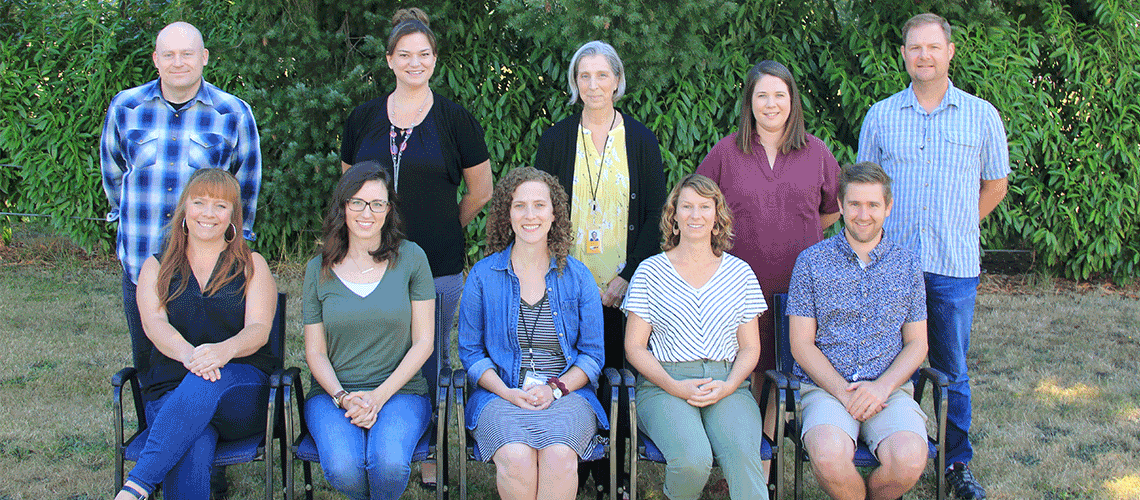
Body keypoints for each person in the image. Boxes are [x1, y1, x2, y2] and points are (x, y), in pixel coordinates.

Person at [856, 13, 1009, 499]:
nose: (924, 55)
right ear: (903, 55)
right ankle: (896, 447)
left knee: (950, 368)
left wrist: (962, 224)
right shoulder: (881, 115)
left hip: (952, 266)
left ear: (949, 52)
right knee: (887, 361)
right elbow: (863, 189)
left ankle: (956, 464)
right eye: (914, 48)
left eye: (933, 47)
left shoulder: (981, 115)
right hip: (891, 265)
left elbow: (996, 184)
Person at [101, 20, 262, 426]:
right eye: (168, 54)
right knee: (152, 363)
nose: (178, 62)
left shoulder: (233, 113)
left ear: (203, 57)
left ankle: (208, 452)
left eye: (187, 53)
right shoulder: (125, 107)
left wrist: (233, 255)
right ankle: (156, 445)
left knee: (210, 362)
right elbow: (114, 175)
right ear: (155, 59)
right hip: (143, 264)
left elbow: (244, 193)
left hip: (210, 275)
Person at [695, 59, 841, 436]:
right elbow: (697, 205)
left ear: (792, 100)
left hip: (800, 286)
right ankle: (739, 450)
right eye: (762, 95)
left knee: (781, 374)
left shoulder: (816, 152)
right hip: (740, 285)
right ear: (750, 102)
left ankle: (765, 465)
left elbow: (832, 210)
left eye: (779, 94)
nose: (771, 103)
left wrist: (797, 232)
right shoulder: (727, 152)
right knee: (747, 370)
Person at [115, 168, 277, 500]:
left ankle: (136, 487)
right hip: (171, 391)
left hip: (240, 394)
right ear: (184, 210)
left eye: (220, 205)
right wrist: (191, 356)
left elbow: (259, 330)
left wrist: (223, 352)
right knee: (193, 440)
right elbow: (155, 325)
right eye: (199, 202)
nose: (208, 213)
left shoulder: (252, 264)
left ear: (233, 215)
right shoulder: (155, 267)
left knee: (206, 382)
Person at [458, 167, 607, 500]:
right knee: (516, 456)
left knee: (558, 455)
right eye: (519, 206)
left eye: (539, 205)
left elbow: (593, 354)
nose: (530, 215)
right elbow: (470, 352)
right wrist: (509, 394)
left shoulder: (579, 277)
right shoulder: (483, 276)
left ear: (554, 214)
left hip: (567, 394)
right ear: (506, 215)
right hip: (500, 394)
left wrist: (555, 389)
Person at [787, 162, 930, 500]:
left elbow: (917, 343)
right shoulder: (811, 262)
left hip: (888, 389)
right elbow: (801, 344)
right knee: (827, 456)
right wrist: (843, 391)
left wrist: (881, 388)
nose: (863, 214)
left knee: (909, 460)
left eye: (873, 205)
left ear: (888, 207)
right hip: (824, 388)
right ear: (840, 205)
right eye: (854, 204)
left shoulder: (907, 265)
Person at [623, 174, 769, 500]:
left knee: (745, 457)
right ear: (673, 217)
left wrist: (730, 384)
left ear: (717, 218)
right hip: (665, 385)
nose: (695, 214)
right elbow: (634, 347)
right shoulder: (649, 272)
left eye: (705, 207)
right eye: (686, 206)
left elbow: (750, 347)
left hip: (727, 382)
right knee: (693, 460)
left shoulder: (740, 273)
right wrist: (673, 385)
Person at [301, 162, 436, 500]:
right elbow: (315, 351)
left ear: (388, 210)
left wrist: (378, 396)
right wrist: (343, 397)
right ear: (343, 206)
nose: (367, 212)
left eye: (377, 203)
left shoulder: (412, 259)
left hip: (401, 392)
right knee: (344, 467)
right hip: (333, 396)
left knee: (388, 464)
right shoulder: (318, 269)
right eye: (357, 202)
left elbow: (424, 342)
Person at [535, 40, 666, 369]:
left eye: (602, 75)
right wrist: (557, 275)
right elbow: (538, 212)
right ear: (575, 82)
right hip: (567, 286)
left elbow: (656, 215)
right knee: (569, 376)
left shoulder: (641, 141)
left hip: (624, 291)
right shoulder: (554, 141)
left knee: (619, 383)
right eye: (584, 76)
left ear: (617, 79)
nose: (593, 85)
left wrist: (628, 277)